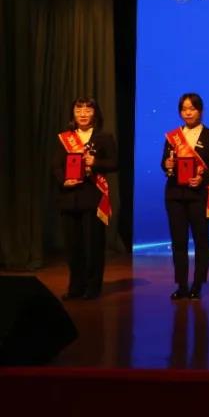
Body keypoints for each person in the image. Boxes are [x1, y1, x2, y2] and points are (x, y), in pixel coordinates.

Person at [161, 93, 209, 300]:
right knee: (178, 242)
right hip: (175, 195)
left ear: (200, 111)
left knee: (201, 240)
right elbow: (165, 163)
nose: (188, 113)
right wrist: (166, 164)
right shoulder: (173, 137)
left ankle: (197, 285)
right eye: (184, 109)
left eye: (192, 108)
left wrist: (203, 178)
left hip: (199, 195)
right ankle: (181, 285)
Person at [52, 97, 118, 300]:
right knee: (73, 247)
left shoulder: (104, 137)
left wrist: (95, 162)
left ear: (95, 113)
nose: (83, 114)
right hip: (69, 197)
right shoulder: (65, 138)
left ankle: (93, 287)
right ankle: (75, 287)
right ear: (73, 113)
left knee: (93, 245)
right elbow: (56, 166)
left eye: (88, 110)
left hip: (93, 197)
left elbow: (114, 163)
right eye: (78, 109)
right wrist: (64, 180)